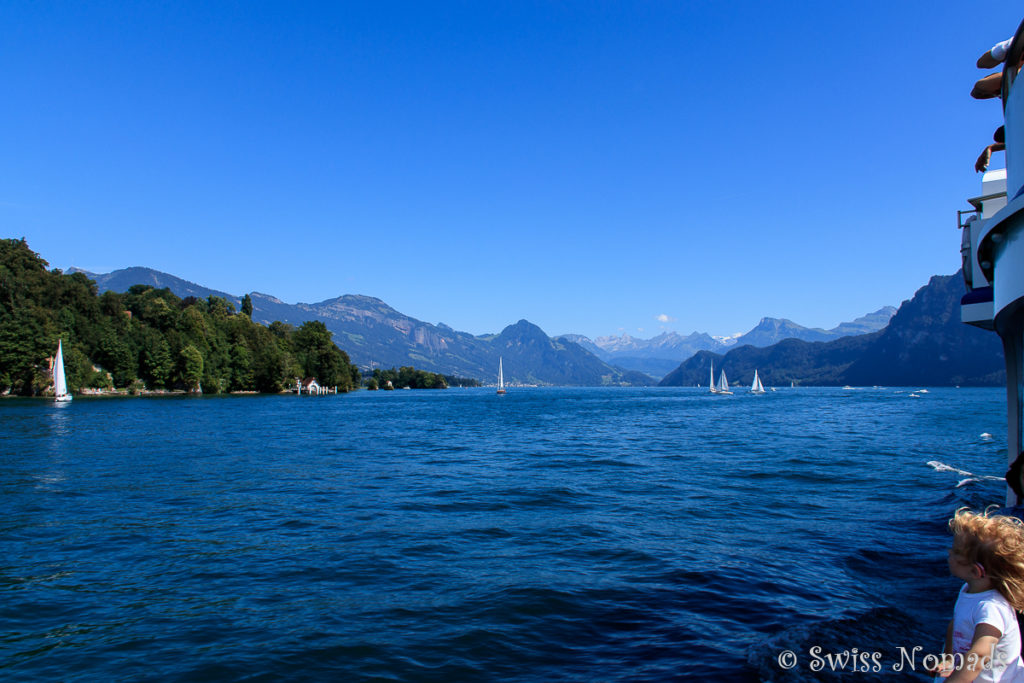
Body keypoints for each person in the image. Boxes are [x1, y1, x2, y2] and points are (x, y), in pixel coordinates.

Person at [929, 509, 1024, 682]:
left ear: (975, 570)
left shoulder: (991, 608)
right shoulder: (969, 589)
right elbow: (957, 623)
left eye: (957, 551)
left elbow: (980, 655)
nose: (949, 552)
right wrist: (949, 658)